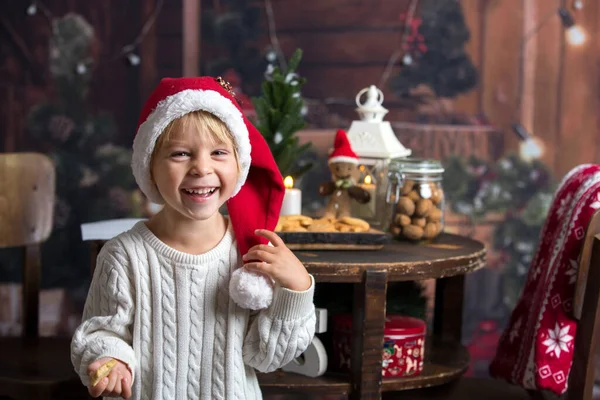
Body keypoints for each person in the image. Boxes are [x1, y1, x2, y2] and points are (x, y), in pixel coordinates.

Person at [71, 76, 316, 400]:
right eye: (180, 154)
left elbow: (266, 358)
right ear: (150, 168)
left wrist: (296, 291)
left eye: (218, 152)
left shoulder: (252, 256)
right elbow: (101, 331)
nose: (202, 168)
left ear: (239, 163)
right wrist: (110, 359)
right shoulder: (124, 256)